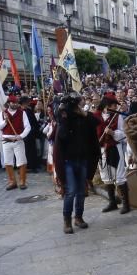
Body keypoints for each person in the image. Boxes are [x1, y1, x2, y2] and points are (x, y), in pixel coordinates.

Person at [54, 93, 100, 233]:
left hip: (83, 158)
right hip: (68, 160)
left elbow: (96, 122)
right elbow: (62, 135)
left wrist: (84, 113)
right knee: (71, 191)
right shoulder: (65, 119)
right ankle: (67, 220)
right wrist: (63, 114)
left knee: (81, 191)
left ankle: (78, 217)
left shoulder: (84, 117)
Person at [96, 92, 130, 214]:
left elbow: (124, 134)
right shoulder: (96, 116)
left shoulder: (118, 117)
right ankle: (112, 202)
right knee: (106, 177)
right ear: (106, 105)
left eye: (116, 105)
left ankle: (126, 203)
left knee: (120, 176)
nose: (115, 108)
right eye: (113, 105)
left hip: (115, 149)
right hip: (102, 150)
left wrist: (112, 133)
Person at [0, 94, 31, 190]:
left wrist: (21, 136)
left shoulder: (22, 112)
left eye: (16, 102)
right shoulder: (3, 113)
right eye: (13, 103)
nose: (15, 104)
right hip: (6, 141)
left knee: (22, 161)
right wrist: (5, 121)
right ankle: (12, 182)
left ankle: (22, 182)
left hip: (17, 140)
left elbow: (28, 127)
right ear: (9, 103)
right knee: (8, 162)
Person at [20, 96, 40, 173]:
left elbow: (34, 122)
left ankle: (33, 166)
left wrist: (34, 131)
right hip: (23, 134)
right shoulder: (20, 111)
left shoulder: (28, 111)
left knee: (32, 150)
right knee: (24, 151)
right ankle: (26, 166)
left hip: (30, 134)